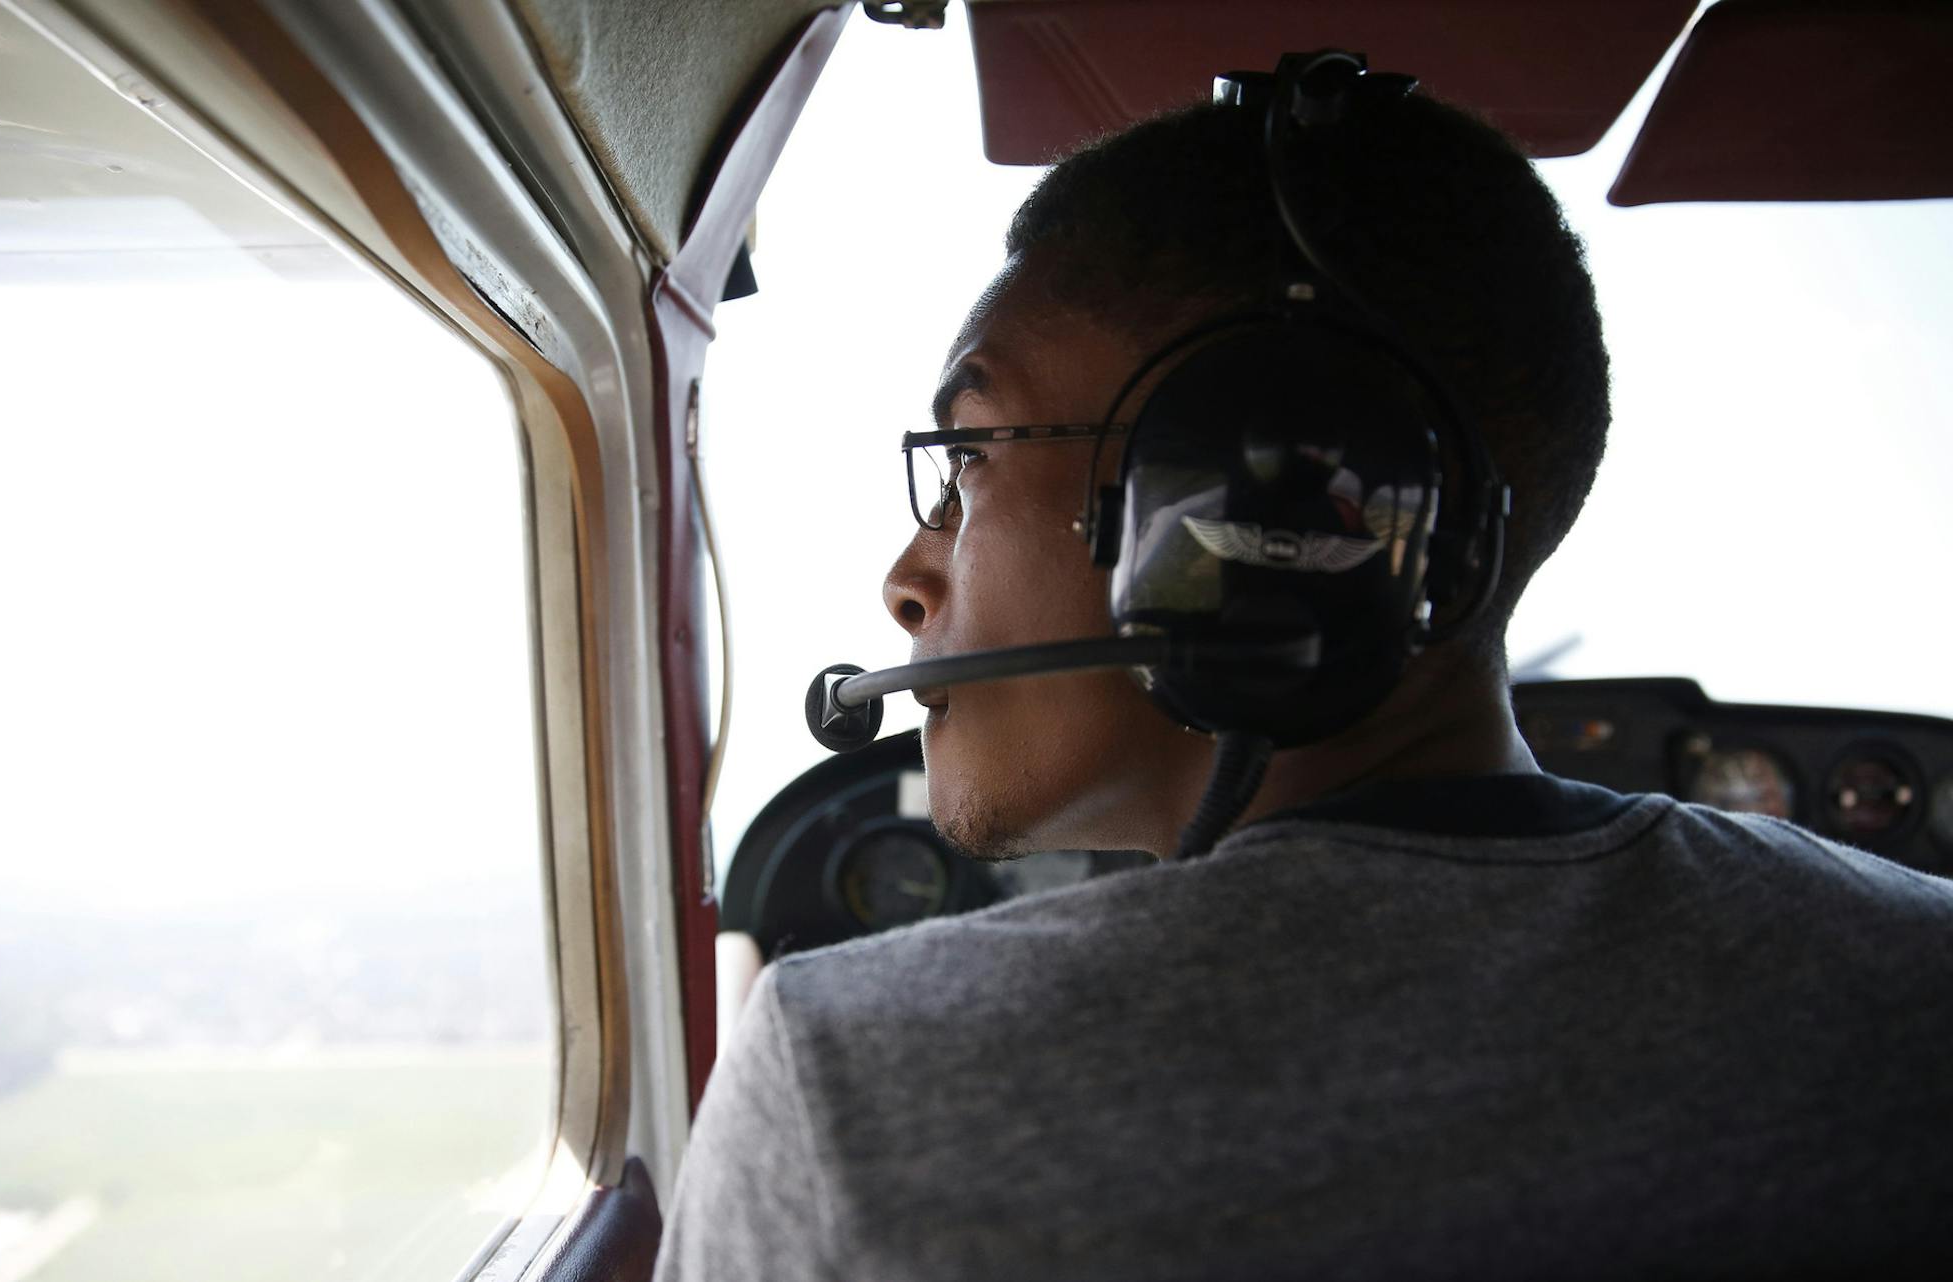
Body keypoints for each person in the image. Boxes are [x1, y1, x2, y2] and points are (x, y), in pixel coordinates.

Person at [655, 68, 1953, 1282]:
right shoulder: (1917, 982)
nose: (905, 576)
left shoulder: (856, 1084)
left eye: (968, 464)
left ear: (1251, 483)